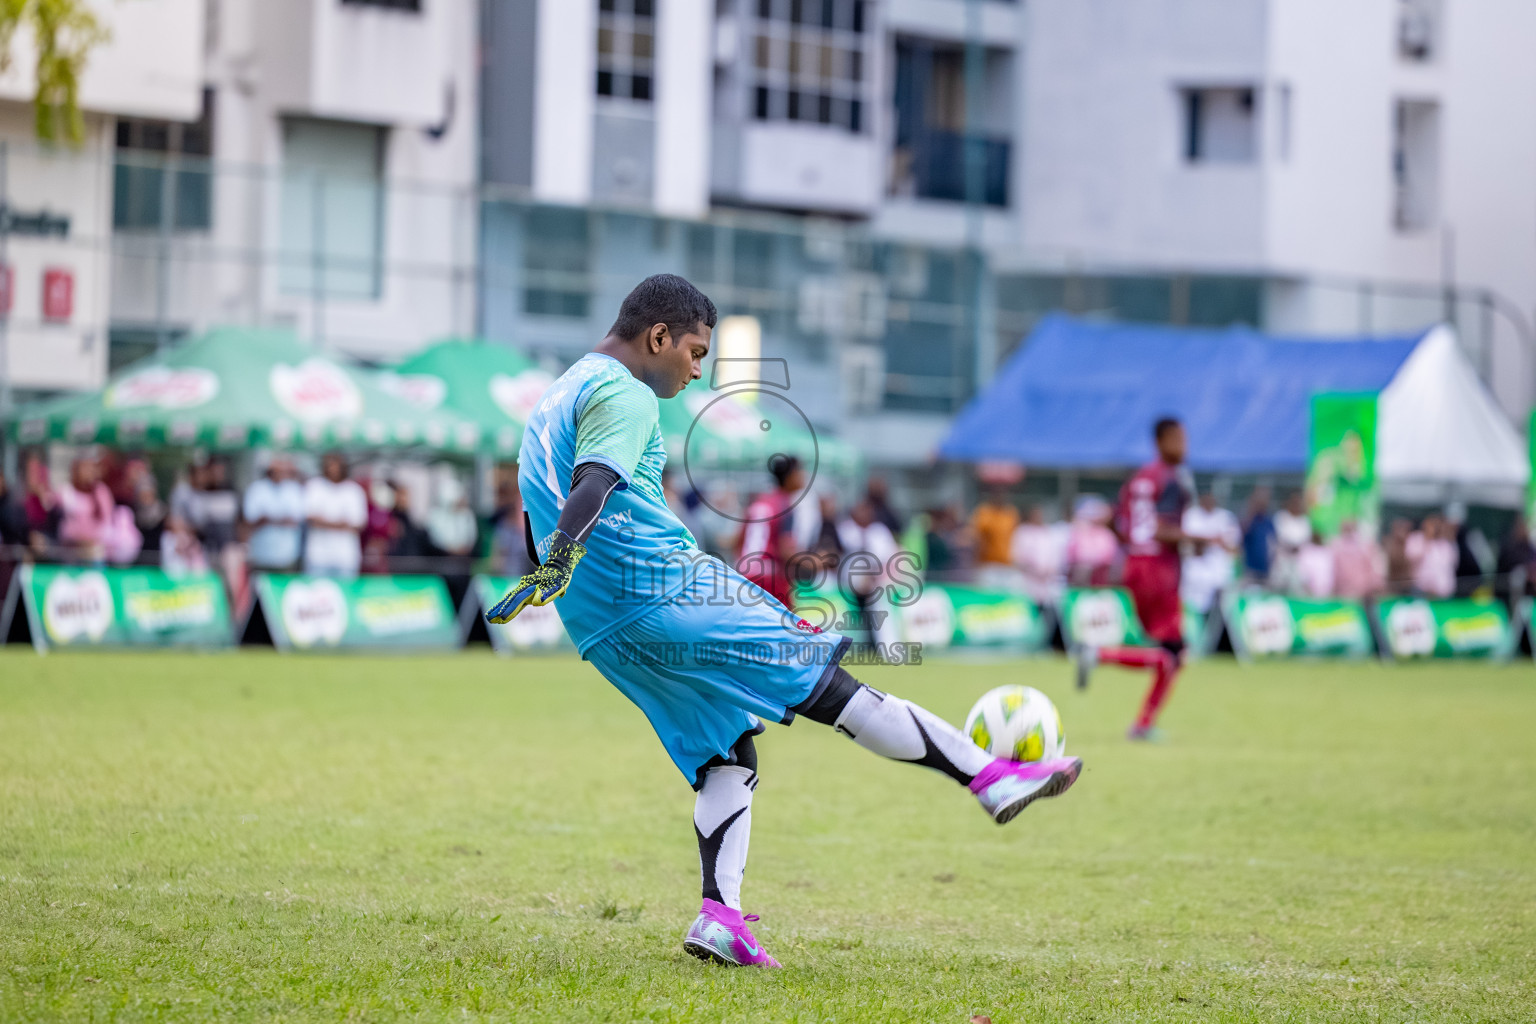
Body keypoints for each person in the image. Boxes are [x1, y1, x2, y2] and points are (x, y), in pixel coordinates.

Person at [485, 274, 1080, 969]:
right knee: (832, 687)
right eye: (696, 351)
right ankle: (991, 776)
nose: (699, 367)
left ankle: (720, 916)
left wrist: (556, 570)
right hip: (671, 590)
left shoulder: (554, 396)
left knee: (727, 751)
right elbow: (594, 480)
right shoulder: (625, 392)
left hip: (601, 626)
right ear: (657, 338)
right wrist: (562, 556)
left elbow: (543, 508)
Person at [1074, 417, 1193, 741]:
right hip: (1159, 569)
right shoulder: (1171, 480)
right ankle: (1101, 659)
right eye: (1179, 439)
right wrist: (1206, 540)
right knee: (1173, 654)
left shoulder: (1138, 479)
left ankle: (1142, 719)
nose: (1185, 446)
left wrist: (1131, 549)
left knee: (1171, 654)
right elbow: (1162, 531)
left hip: (1135, 566)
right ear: (1162, 440)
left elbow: (1115, 521)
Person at [737, 454, 805, 609]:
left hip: (744, 576)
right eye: (800, 471)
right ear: (790, 476)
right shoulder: (784, 505)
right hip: (769, 578)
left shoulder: (761, 501)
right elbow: (785, 551)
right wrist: (814, 561)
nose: (804, 476)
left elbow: (738, 539)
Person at [303, 453, 367, 578]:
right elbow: (310, 518)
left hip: (345, 557)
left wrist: (325, 522)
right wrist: (341, 524)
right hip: (318, 556)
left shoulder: (354, 490)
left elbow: (359, 523)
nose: (333, 469)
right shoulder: (315, 486)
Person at [243, 454, 305, 573]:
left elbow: (296, 520)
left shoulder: (293, 489)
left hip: (287, 556)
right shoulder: (257, 488)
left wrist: (270, 519)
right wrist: (278, 520)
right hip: (261, 554)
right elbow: (250, 520)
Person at [1181, 492, 1239, 614]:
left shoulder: (1226, 517)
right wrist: (1208, 540)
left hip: (1220, 576)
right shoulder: (1191, 515)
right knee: (1194, 613)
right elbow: (1188, 545)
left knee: (1221, 615)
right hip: (1194, 576)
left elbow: (1234, 548)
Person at [1010, 504, 1062, 604]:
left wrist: (1048, 571)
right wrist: (1033, 570)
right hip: (1027, 581)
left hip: (1047, 581)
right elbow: (1016, 557)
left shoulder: (1048, 532)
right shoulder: (1022, 532)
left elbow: (1054, 555)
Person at [1064, 495, 1117, 587]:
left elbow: (1110, 557)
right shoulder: (1078, 532)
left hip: (1100, 575)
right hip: (1080, 574)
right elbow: (1072, 555)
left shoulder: (1106, 534)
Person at [970, 484, 1018, 574]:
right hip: (987, 563)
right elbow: (976, 535)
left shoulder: (1010, 513)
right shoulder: (984, 512)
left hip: (1007, 564)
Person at [1331, 519, 1384, 600]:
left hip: (1361, 593)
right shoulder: (1337, 546)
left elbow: (1372, 568)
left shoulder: (1365, 545)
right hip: (1349, 592)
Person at [1270, 491, 1312, 593]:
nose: (1296, 505)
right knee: (1278, 587)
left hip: (1298, 561)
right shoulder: (1281, 517)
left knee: (1297, 589)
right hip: (1282, 559)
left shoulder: (1304, 521)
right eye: (1293, 502)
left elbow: (1305, 540)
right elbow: (1282, 536)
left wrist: (1297, 546)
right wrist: (1292, 545)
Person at [1407, 514, 1457, 598]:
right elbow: (1412, 559)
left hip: (1442, 592)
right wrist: (1427, 539)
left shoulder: (1445, 544)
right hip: (1421, 590)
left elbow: (1450, 566)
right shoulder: (1416, 539)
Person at [1240, 486, 1277, 581]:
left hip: (1266, 570)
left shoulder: (1268, 522)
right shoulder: (1249, 521)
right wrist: (1252, 511)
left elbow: (1273, 543)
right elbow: (1243, 534)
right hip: (1250, 569)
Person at [1295, 529, 1336, 598]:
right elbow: (1302, 570)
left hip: (1325, 590)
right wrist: (1306, 585)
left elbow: (1329, 571)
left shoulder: (1327, 551)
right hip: (1307, 591)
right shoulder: (1306, 551)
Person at [1383, 517, 1415, 594]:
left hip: (1407, 584)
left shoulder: (1411, 543)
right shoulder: (1388, 542)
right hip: (1392, 583)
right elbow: (1393, 559)